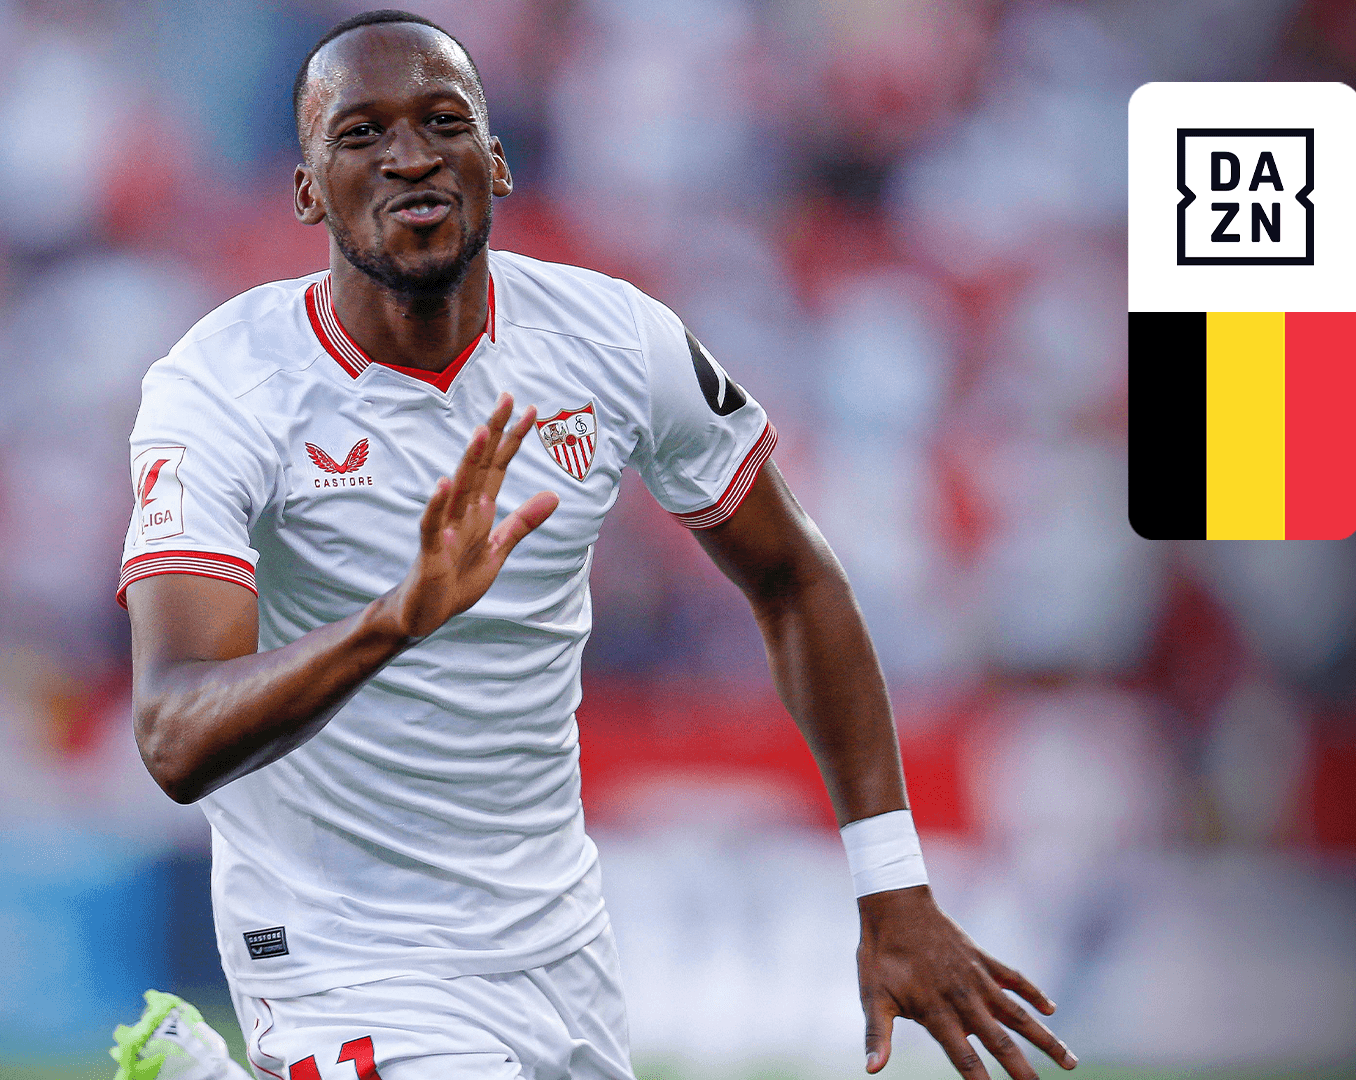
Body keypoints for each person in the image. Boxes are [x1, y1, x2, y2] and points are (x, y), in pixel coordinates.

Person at [114, 10, 1079, 1080]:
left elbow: (793, 576)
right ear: (305, 190)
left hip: (560, 950)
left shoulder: (614, 339)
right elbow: (173, 735)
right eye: (360, 133)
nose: (409, 155)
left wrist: (891, 883)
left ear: (498, 161)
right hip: (341, 950)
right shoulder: (224, 387)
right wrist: (394, 621)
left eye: (444, 121)